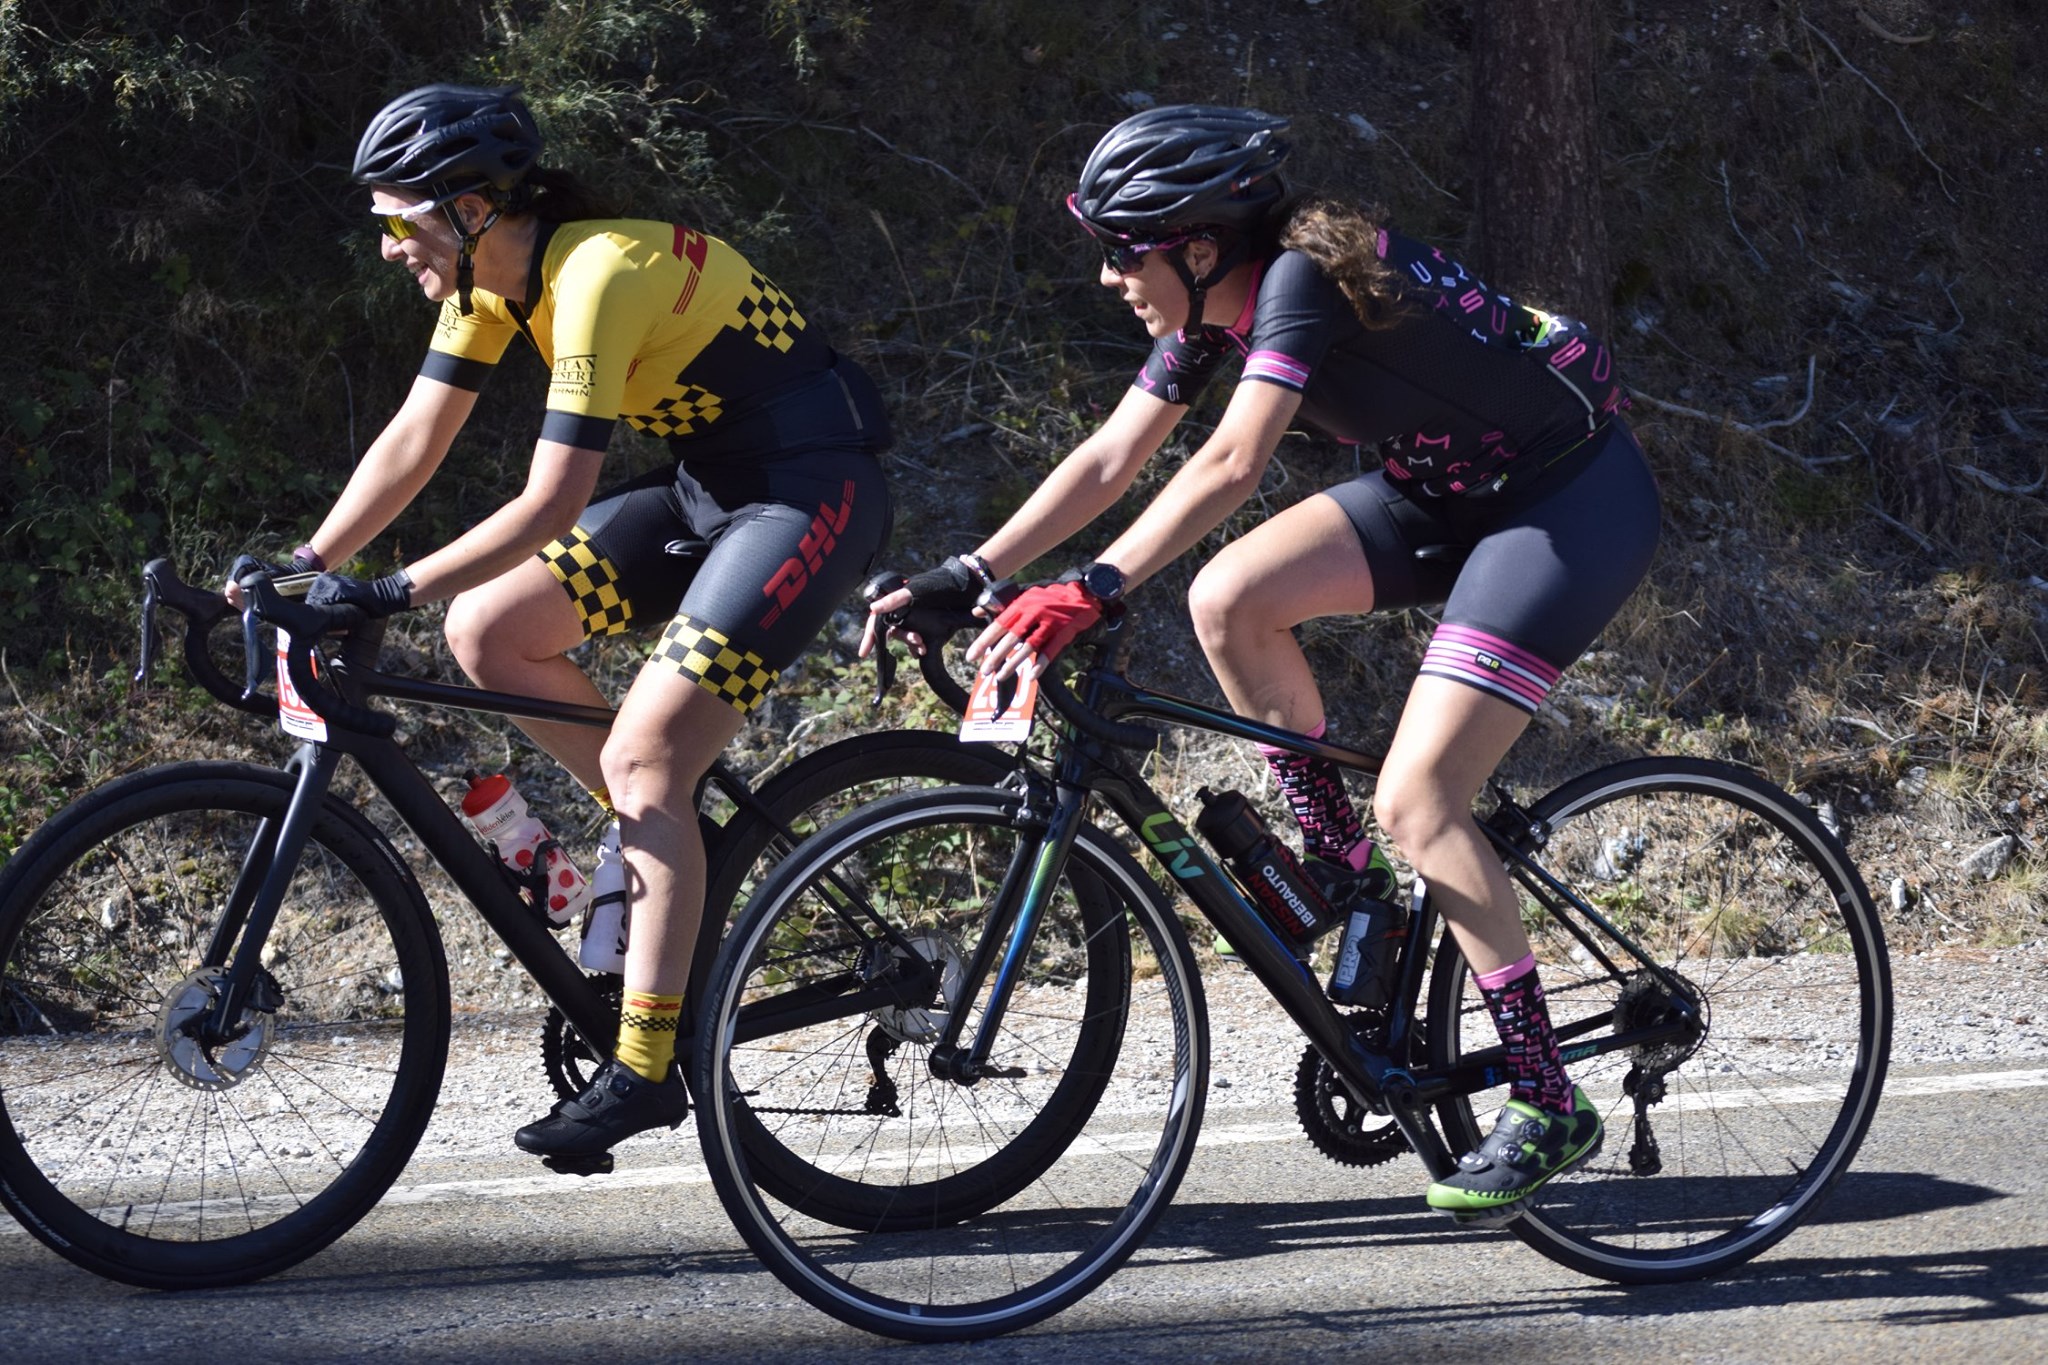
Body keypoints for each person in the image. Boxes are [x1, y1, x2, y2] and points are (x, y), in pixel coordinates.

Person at [865, 105, 1660, 1221]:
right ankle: (1348, 871)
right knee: (1228, 599)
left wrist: (1090, 587)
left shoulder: (1297, 282)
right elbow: (1113, 454)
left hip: (1567, 502)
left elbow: (1235, 460)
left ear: (1198, 247)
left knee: (1422, 799)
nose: (1107, 278)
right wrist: (973, 568)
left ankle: (1545, 1093)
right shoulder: (1209, 308)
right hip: (1445, 490)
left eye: (1122, 252)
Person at [232, 84, 893, 1161]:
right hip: (709, 487)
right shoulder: (489, 282)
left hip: (811, 492)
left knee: (642, 757)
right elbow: (415, 437)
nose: (389, 247)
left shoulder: (596, 275)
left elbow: (548, 500)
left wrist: (388, 591)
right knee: (490, 633)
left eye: (400, 222)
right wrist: (308, 565)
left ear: (472, 209)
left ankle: (643, 1068)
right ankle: (665, 844)